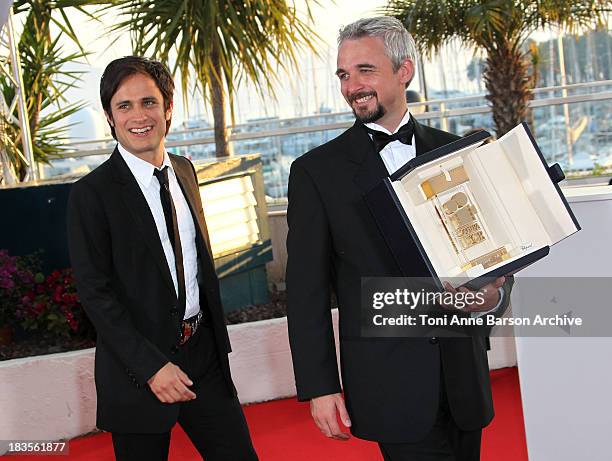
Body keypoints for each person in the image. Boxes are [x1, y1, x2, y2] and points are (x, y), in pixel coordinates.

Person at [286, 17, 513, 461]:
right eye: (343, 75)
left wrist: (490, 298)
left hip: (463, 380)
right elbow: (305, 292)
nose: (352, 86)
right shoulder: (316, 173)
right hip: (388, 383)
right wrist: (320, 386)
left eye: (365, 71)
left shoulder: (461, 151)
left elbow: (494, 256)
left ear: (404, 71)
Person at [67, 56, 258, 461]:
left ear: (168, 110)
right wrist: (152, 367)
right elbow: (95, 294)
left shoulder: (186, 171)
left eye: (149, 102)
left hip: (202, 356)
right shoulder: (92, 194)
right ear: (109, 116)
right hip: (138, 371)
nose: (139, 115)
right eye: (124, 105)